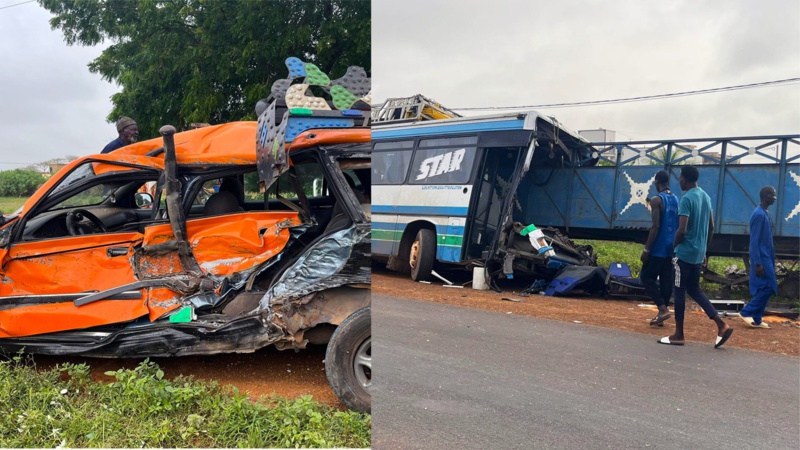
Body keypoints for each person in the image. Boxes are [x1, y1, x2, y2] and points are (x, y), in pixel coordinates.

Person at [658, 165, 733, 348]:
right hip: (699, 253)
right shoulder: (705, 197)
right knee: (694, 289)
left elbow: (682, 230)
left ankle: (679, 334)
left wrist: (672, 247)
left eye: (680, 178)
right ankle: (721, 324)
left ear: (684, 178)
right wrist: (704, 249)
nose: (679, 181)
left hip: (684, 253)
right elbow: (712, 227)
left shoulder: (686, 199)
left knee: (680, 291)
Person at [640, 170, 678, 326]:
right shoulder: (675, 199)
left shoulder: (656, 200)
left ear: (657, 182)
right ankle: (663, 312)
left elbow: (655, 227)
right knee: (665, 281)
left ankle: (662, 308)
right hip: (671, 248)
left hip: (658, 248)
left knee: (646, 277)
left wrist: (647, 249)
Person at [740, 186, 778, 328]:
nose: (775, 197)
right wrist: (757, 263)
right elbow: (754, 241)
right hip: (762, 257)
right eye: (772, 195)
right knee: (771, 287)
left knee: (764, 288)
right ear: (765, 196)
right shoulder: (759, 214)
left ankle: (757, 318)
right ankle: (746, 311)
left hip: (768, 255)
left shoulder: (765, 213)